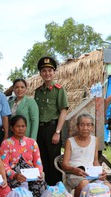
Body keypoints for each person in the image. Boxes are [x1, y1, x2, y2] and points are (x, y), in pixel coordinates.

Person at [61, 113, 111, 197]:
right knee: (84, 184)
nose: (85, 128)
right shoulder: (70, 141)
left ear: (92, 127)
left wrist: (101, 171)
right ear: (77, 126)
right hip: (75, 174)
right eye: (82, 125)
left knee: (109, 187)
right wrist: (75, 170)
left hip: (91, 174)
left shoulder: (95, 140)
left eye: (88, 125)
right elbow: (64, 165)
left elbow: (95, 161)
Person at [35, 57, 68, 186]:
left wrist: (57, 132)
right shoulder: (38, 92)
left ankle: (56, 190)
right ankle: (45, 189)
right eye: (44, 71)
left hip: (53, 129)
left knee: (54, 161)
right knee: (42, 160)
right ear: (40, 73)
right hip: (40, 130)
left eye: (50, 70)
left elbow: (63, 111)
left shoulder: (59, 90)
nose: (47, 73)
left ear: (54, 72)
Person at [0, 115, 47, 197]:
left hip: (31, 175)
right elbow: (4, 165)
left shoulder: (32, 142)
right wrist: (14, 175)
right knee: (21, 189)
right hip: (14, 177)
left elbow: (38, 162)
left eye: (23, 126)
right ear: (12, 128)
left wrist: (38, 173)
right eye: (18, 126)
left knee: (42, 186)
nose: (21, 129)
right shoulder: (6, 144)